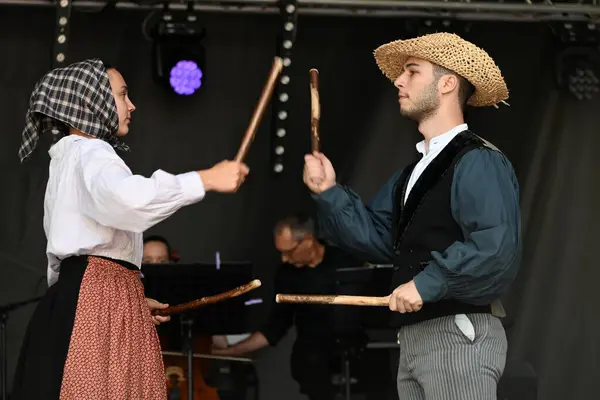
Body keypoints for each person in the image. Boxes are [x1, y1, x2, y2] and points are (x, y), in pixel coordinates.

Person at [12, 58, 249, 400]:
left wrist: (126, 299)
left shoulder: (69, 159)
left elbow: (69, 260)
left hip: (84, 295)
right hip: (94, 297)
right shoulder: (92, 152)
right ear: (93, 101)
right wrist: (206, 179)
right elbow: (130, 202)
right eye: (123, 95)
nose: (131, 104)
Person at [303, 32, 521, 400]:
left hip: (456, 332)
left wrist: (426, 283)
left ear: (448, 83)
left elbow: (494, 246)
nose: (399, 81)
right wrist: (328, 192)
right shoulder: (414, 172)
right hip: (417, 336)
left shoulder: (477, 160)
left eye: (412, 71)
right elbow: (382, 239)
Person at [212, 213, 365, 400]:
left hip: (358, 347)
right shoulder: (287, 274)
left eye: (289, 252)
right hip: (312, 356)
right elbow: (276, 324)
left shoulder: (346, 261)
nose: (284, 259)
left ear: (308, 241)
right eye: (281, 253)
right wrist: (231, 351)